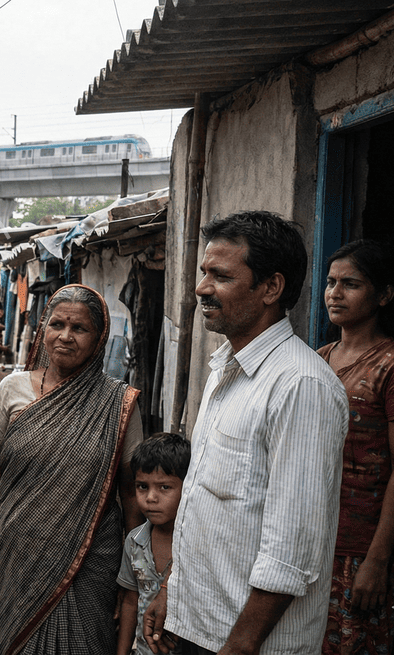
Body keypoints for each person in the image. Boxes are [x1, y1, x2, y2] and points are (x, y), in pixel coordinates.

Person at [144, 211, 349, 655]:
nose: (201, 288)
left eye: (220, 275)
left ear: (271, 288)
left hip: (249, 643)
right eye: (204, 273)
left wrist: (240, 645)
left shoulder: (300, 385)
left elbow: (292, 550)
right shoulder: (226, 371)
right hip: (200, 625)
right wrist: (171, 592)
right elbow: (203, 504)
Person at [0, 283, 144, 654]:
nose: (66, 336)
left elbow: (130, 494)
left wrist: (134, 577)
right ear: (43, 328)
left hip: (90, 564)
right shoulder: (12, 391)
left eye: (79, 328)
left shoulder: (119, 404)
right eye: (57, 324)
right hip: (20, 558)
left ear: (98, 338)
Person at [317, 239, 394, 653]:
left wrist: (377, 562)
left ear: (383, 295)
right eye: (331, 282)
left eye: (351, 284)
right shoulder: (319, 359)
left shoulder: (388, 366)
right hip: (316, 540)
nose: (335, 293)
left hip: (361, 550)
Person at [117, 432, 191, 655]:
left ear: (187, 488)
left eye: (164, 488)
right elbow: (130, 601)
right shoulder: (134, 541)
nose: (150, 498)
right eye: (142, 487)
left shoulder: (194, 543)